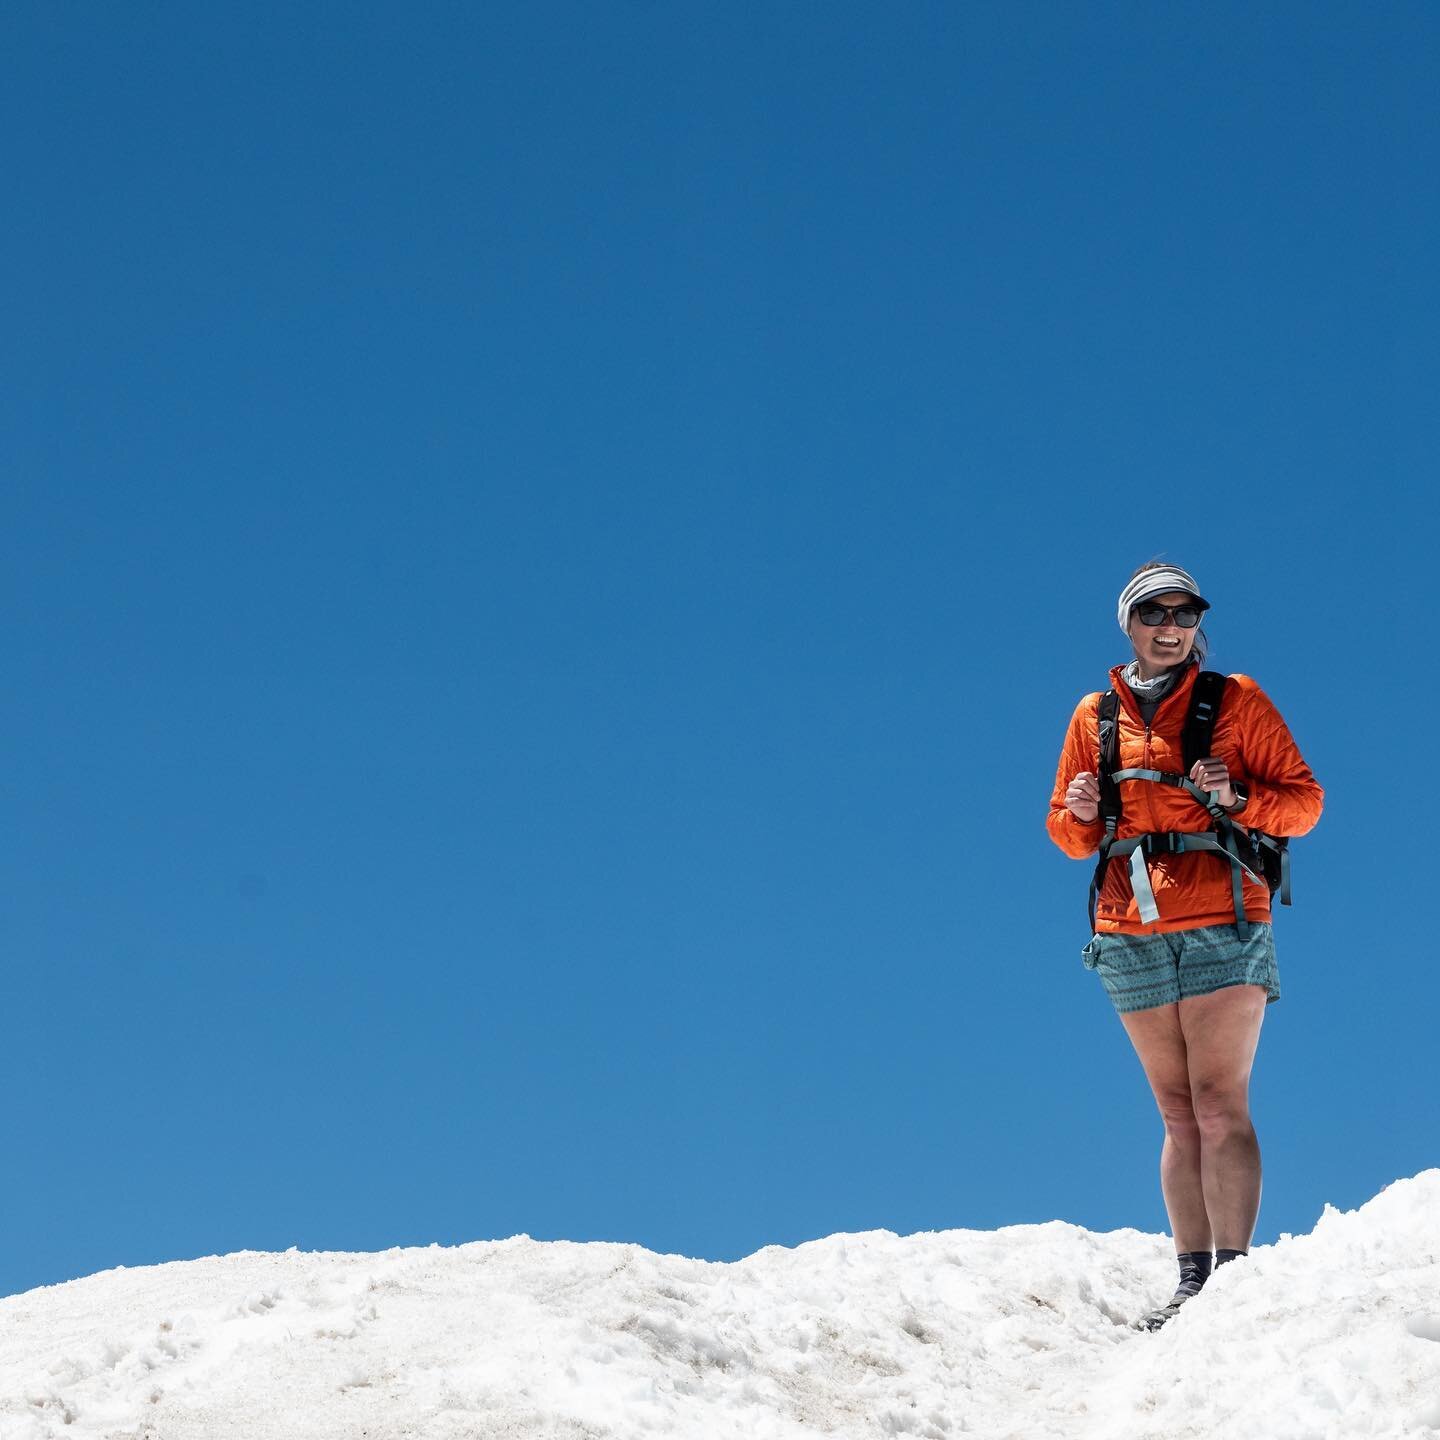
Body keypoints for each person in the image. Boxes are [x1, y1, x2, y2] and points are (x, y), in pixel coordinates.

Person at [1047, 562, 1323, 1331]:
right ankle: (1191, 1281)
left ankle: (1231, 1281)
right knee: (1175, 1112)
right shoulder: (1094, 716)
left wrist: (1237, 797)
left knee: (1217, 1102)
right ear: (1127, 624)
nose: (1171, 627)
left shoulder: (1237, 700)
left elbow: (1305, 804)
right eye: (1154, 614)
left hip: (1223, 915)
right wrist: (1077, 810)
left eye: (1185, 613)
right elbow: (1070, 838)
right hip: (1128, 927)